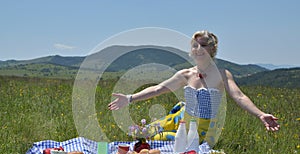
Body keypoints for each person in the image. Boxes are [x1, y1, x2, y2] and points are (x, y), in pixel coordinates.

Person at [108, 30, 280, 146]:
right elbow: (158, 89)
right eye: (195, 45)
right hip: (180, 118)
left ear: (213, 48)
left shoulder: (222, 74)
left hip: (201, 131)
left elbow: (239, 96)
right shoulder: (186, 74)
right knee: (144, 132)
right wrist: (130, 98)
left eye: (204, 45)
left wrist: (260, 114)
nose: (199, 49)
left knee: (156, 139)